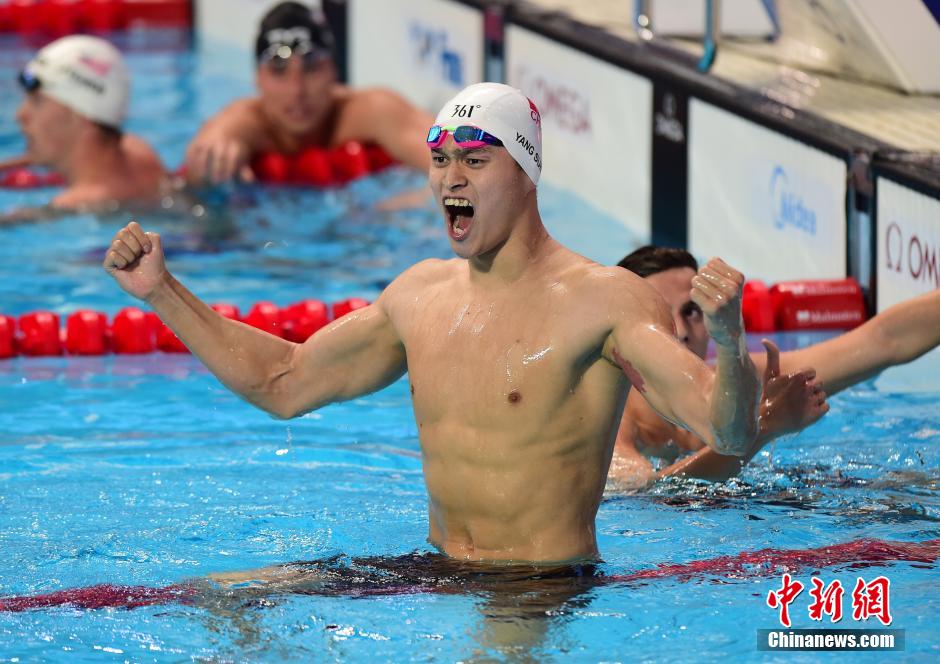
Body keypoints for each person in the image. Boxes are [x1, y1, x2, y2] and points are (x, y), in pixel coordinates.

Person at [105, 82, 762, 565]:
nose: (452, 177)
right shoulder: (420, 297)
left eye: (476, 161)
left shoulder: (602, 300)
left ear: (526, 175)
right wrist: (162, 291)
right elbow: (284, 380)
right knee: (232, 602)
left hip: (538, 584)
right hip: (437, 570)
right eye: (441, 159)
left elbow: (724, 428)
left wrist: (728, 342)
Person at [611, 245, 940, 488]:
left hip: (747, 512)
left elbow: (882, 342)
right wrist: (766, 425)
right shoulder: (613, 420)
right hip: (686, 544)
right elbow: (643, 494)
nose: (682, 332)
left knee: (904, 487)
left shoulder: (736, 379)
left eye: (692, 312)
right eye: (664, 316)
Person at [184, 1, 434, 183]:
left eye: (311, 68)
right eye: (278, 71)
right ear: (258, 78)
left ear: (334, 71)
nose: (297, 90)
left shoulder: (373, 110)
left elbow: (456, 155)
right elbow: (194, 179)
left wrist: (414, 199)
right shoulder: (240, 123)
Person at [10, 35, 165, 212]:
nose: (20, 114)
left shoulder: (73, 207)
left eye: (37, 101)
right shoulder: (139, 152)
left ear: (82, 114)